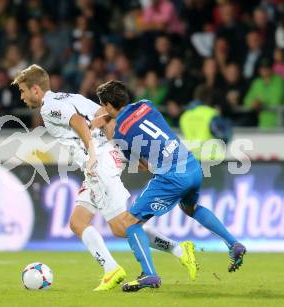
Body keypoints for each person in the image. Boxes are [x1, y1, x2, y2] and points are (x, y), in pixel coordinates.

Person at [12, 65, 198, 291]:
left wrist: (92, 154)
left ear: (35, 89)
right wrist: (127, 153)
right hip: (104, 158)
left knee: (122, 227)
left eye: (22, 91)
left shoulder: (49, 108)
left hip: (99, 162)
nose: (21, 97)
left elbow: (79, 122)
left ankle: (177, 251)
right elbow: (105, 114)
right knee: (77, 223)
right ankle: (111, 269)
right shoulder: (70, 96)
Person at [95, 80, 246, 292]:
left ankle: (149, 274)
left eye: (103, 105)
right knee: (190, 208)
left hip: (172, 177)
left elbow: (142, 166)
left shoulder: (120, 132)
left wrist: (108, 131)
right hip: (192, 166)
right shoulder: (146, 104)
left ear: (108, 105)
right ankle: (234, 244)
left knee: (130, 222)